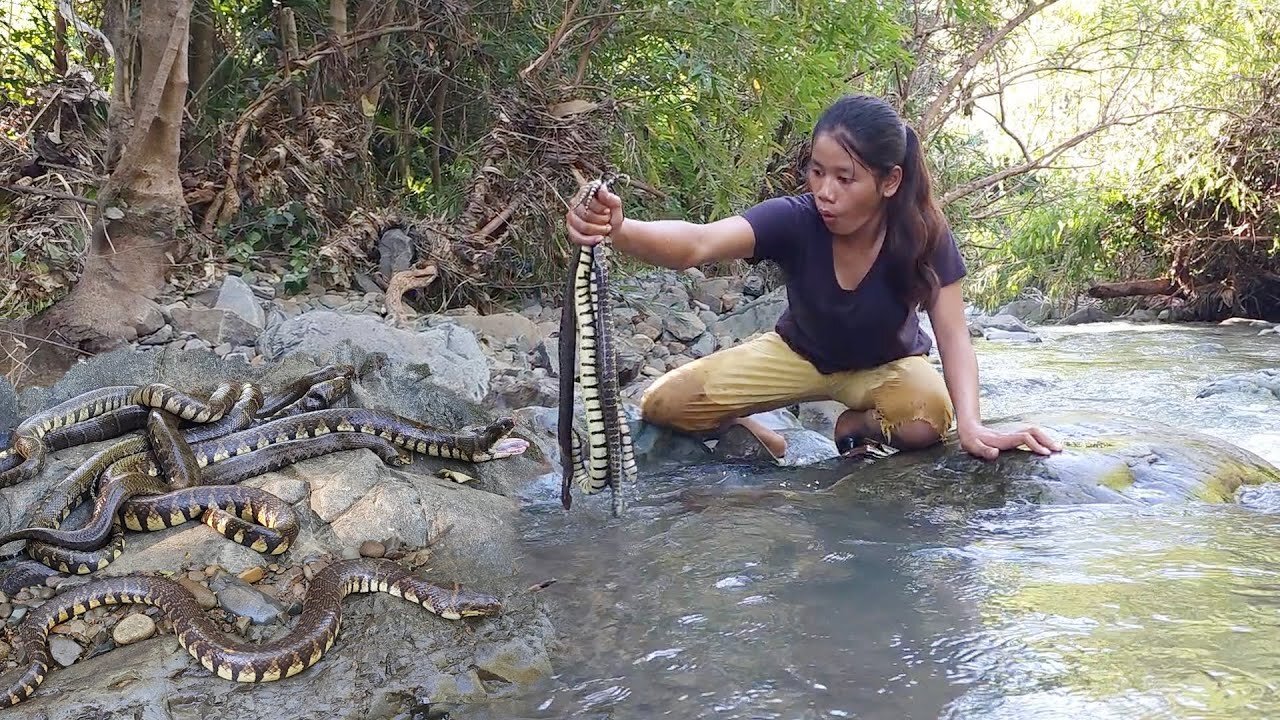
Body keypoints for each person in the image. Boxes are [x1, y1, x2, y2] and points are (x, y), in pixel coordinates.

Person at [563, 93, 1062, 462]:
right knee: (662, 404)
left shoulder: (923, 234)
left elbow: (954, 335)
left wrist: (972, 426)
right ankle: (758, 433)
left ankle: (855, 425)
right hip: (794, 354)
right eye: (817, 172)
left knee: (927, 417)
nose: (825, 191)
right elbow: (697, 243)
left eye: (845, 178)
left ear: (890, 182)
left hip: (885, 367)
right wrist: (619, 228)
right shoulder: (796, 219)